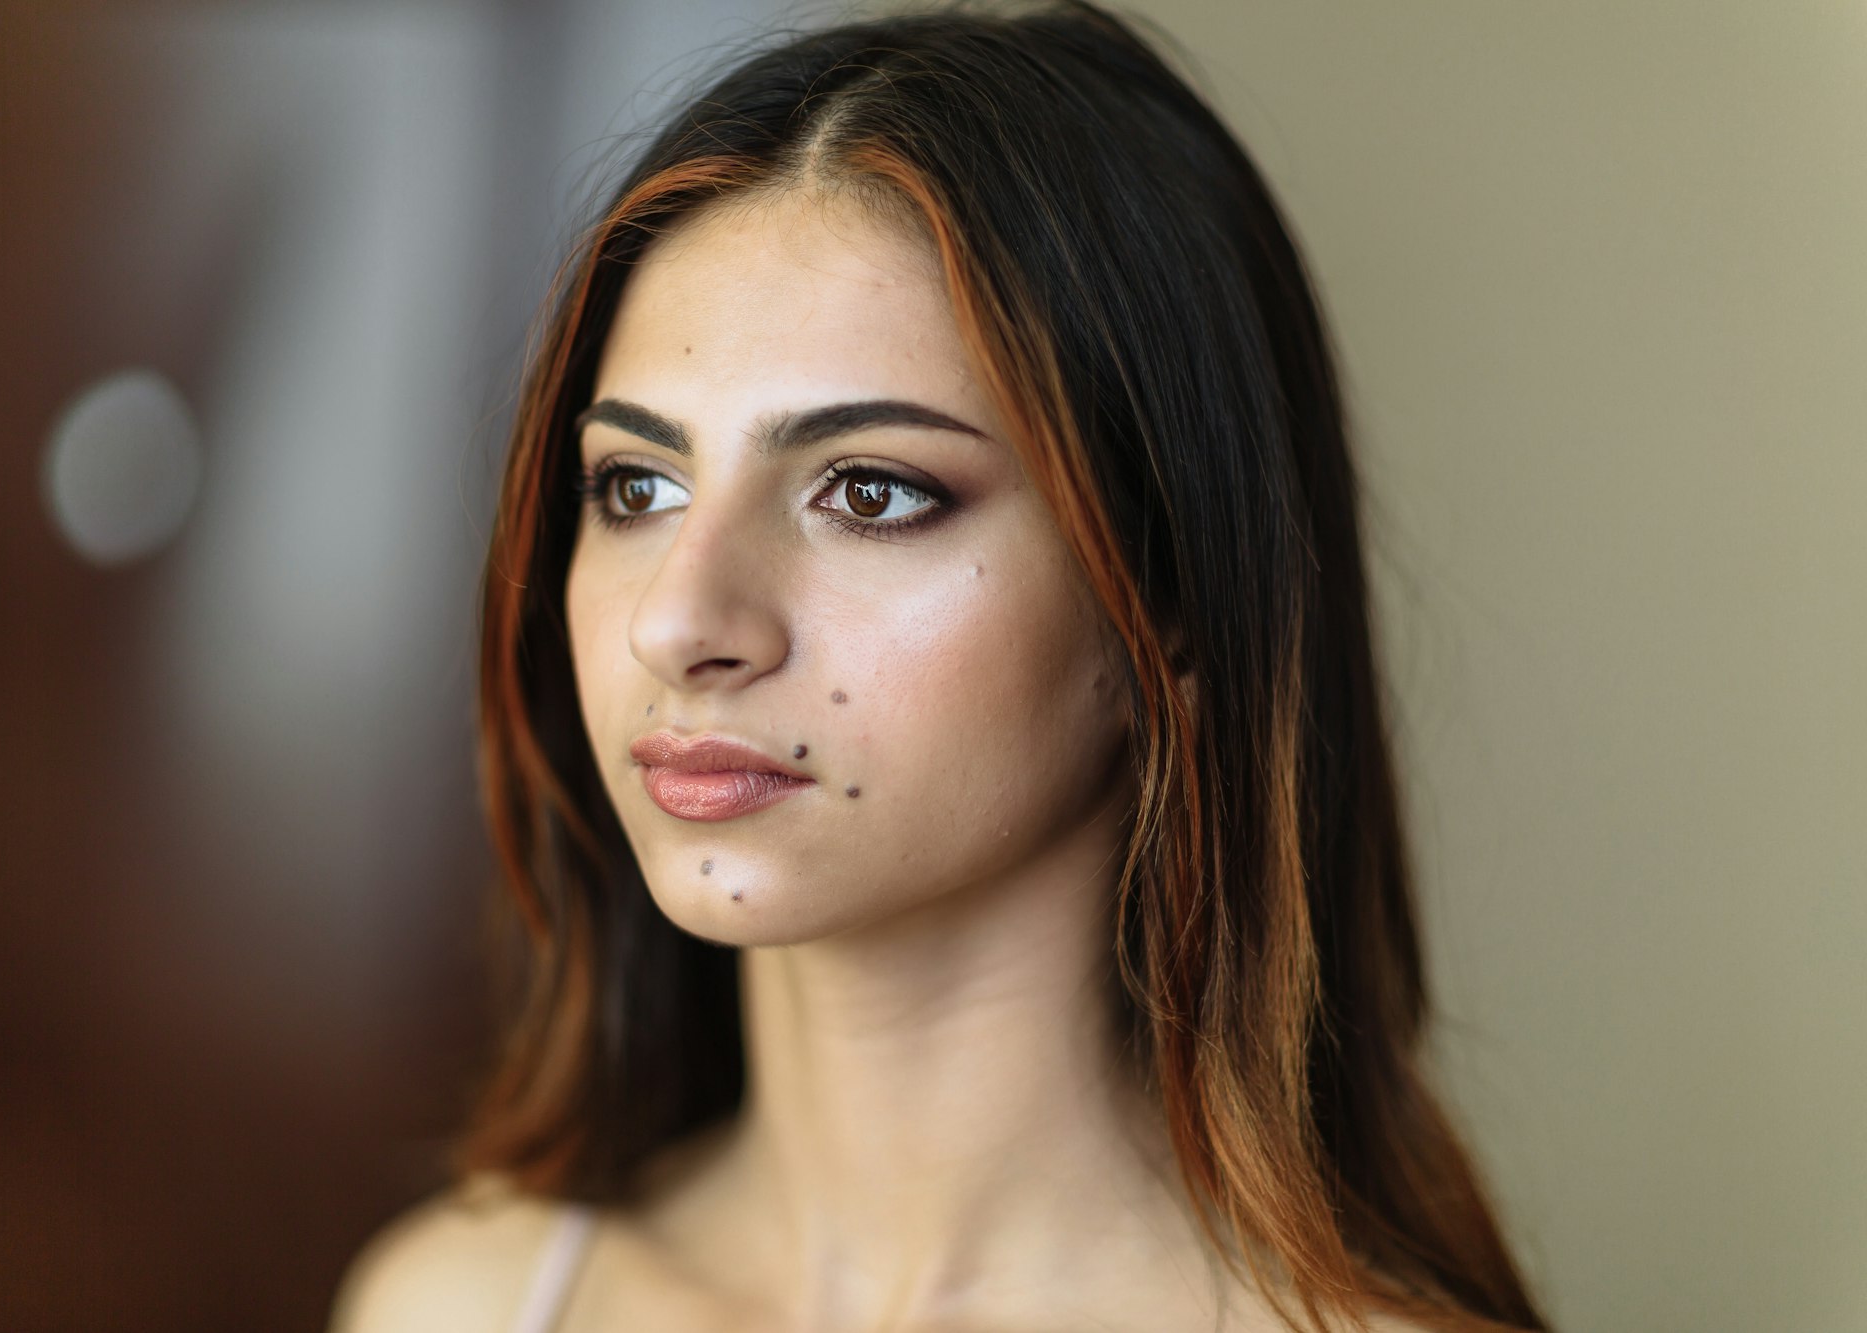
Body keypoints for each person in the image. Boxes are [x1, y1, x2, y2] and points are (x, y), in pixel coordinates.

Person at [328, 2, 1550, 1329]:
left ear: (1175, 591)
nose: (680, 622)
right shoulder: (453, 1302)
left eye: (869, 492)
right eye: (635, 484)